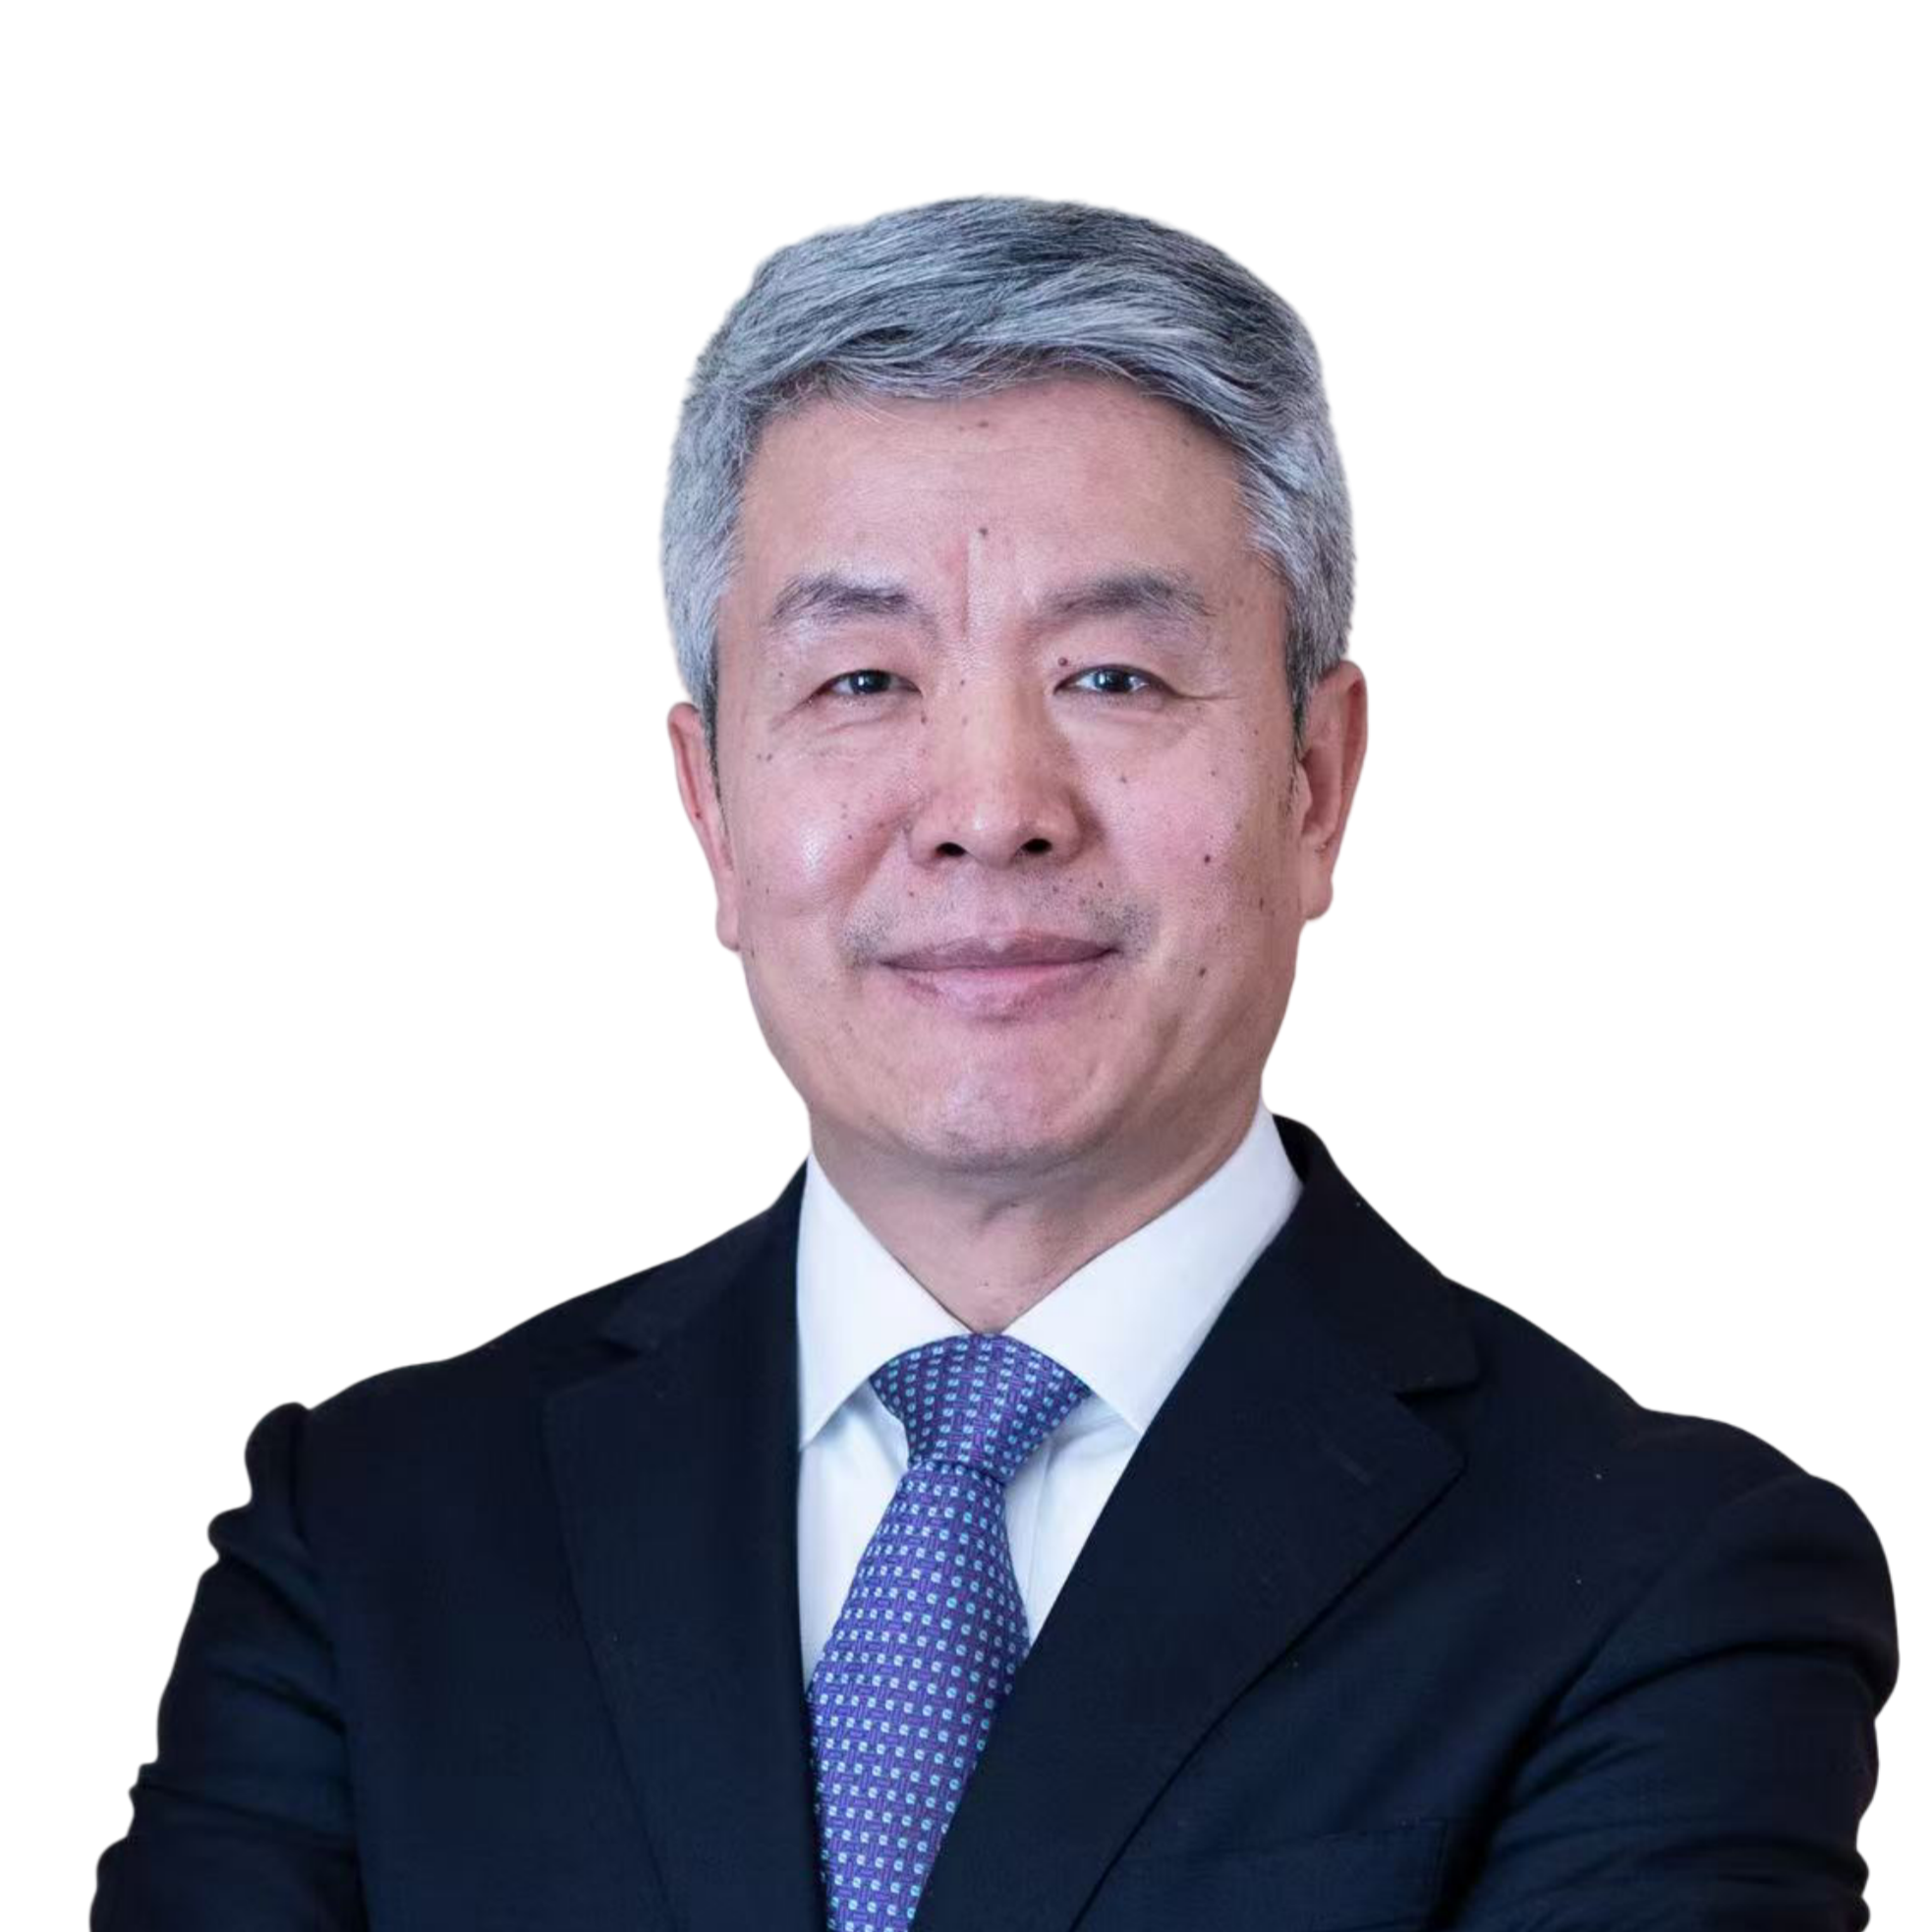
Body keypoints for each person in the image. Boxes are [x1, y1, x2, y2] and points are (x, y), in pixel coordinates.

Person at [95, 193, 1894, 1931]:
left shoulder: (1658, 1579)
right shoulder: (371, 1533)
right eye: (861, 681)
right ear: (709, 810)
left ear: (1315, 785)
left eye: (1111, 677)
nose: (988, 809)